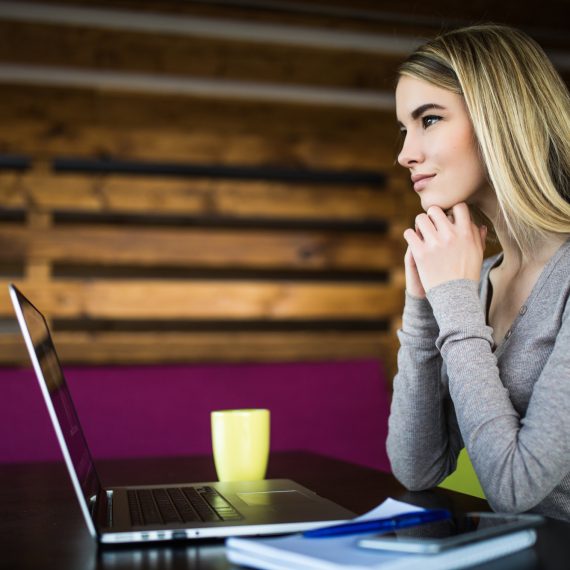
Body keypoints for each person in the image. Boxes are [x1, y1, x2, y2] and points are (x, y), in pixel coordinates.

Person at [386, 24, 570, 521]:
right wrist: (425, 307)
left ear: (500, 118)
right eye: (404, 129)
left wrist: (458, 308)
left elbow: (515, 488)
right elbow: (417, 468)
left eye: (429, 119)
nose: (405, 154)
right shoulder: (475, 279)